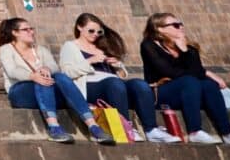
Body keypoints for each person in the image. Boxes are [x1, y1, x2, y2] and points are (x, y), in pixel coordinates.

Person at [59, 12, 179, 143]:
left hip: (114, 83)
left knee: (140, 84)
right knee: (114, 83)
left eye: (99, 32)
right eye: (91, 30)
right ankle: (126, 127)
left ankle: (151, 130)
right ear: (79, 27)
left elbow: (121, 76)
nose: (95, 34)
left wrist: (117, 66)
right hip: (90, 84)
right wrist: (90, 61)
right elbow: (67, 72)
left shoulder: (102, 46)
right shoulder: (70, 46)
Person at [140, 13, 230, 145]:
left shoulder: (190, 49)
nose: (181, 27)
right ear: (160, 29)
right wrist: (197, 71)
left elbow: (198, 72)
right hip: (163, 93)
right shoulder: (149, 45)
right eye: (175, 25)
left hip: (190, 92)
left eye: (181, 24)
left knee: (208, 84)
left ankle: (227, 132)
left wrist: (184, 50)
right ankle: (194, 131)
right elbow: (168, 71)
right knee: (189, 81)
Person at [0, 17, 114, 145]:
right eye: (26, 29)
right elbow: (12, 71)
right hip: (20, 92)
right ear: (15, 33)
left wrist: (46, 68)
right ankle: (54, 128)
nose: (31, 32)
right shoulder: (6, 49)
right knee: (42, 79)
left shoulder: (41, 49)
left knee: (60, 76)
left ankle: (93, 126)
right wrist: (33, 75)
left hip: (45, 91)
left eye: (32, 29)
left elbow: (54, 67)